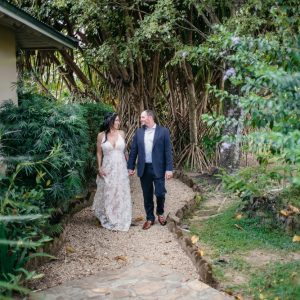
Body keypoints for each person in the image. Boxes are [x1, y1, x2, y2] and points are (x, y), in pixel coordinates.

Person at [127, 110, 173, 230]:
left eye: (142, 117)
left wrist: (169, 169)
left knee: (160, 193)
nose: (141, 119)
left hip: (158, 167)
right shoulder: (139, 132)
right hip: (144, 168)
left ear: (150, 117)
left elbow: (168, 151)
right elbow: (134, 150)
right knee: (147, 194)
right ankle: (149, 218)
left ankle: (160, 212)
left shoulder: (163, 131)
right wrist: (130, 167)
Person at [92, 112, 132, 231]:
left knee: (120, 191)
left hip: (121, 167)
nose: (119, 123)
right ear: (110, 121)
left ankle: (120, 217)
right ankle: (108, 216)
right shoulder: (101, 135)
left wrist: (130, 166)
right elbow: (99, 152)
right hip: (107, 166)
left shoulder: (122, 133)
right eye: (117, 120)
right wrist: (99, 167)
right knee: (108, 191)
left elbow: (125, 152)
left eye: (119, 120)